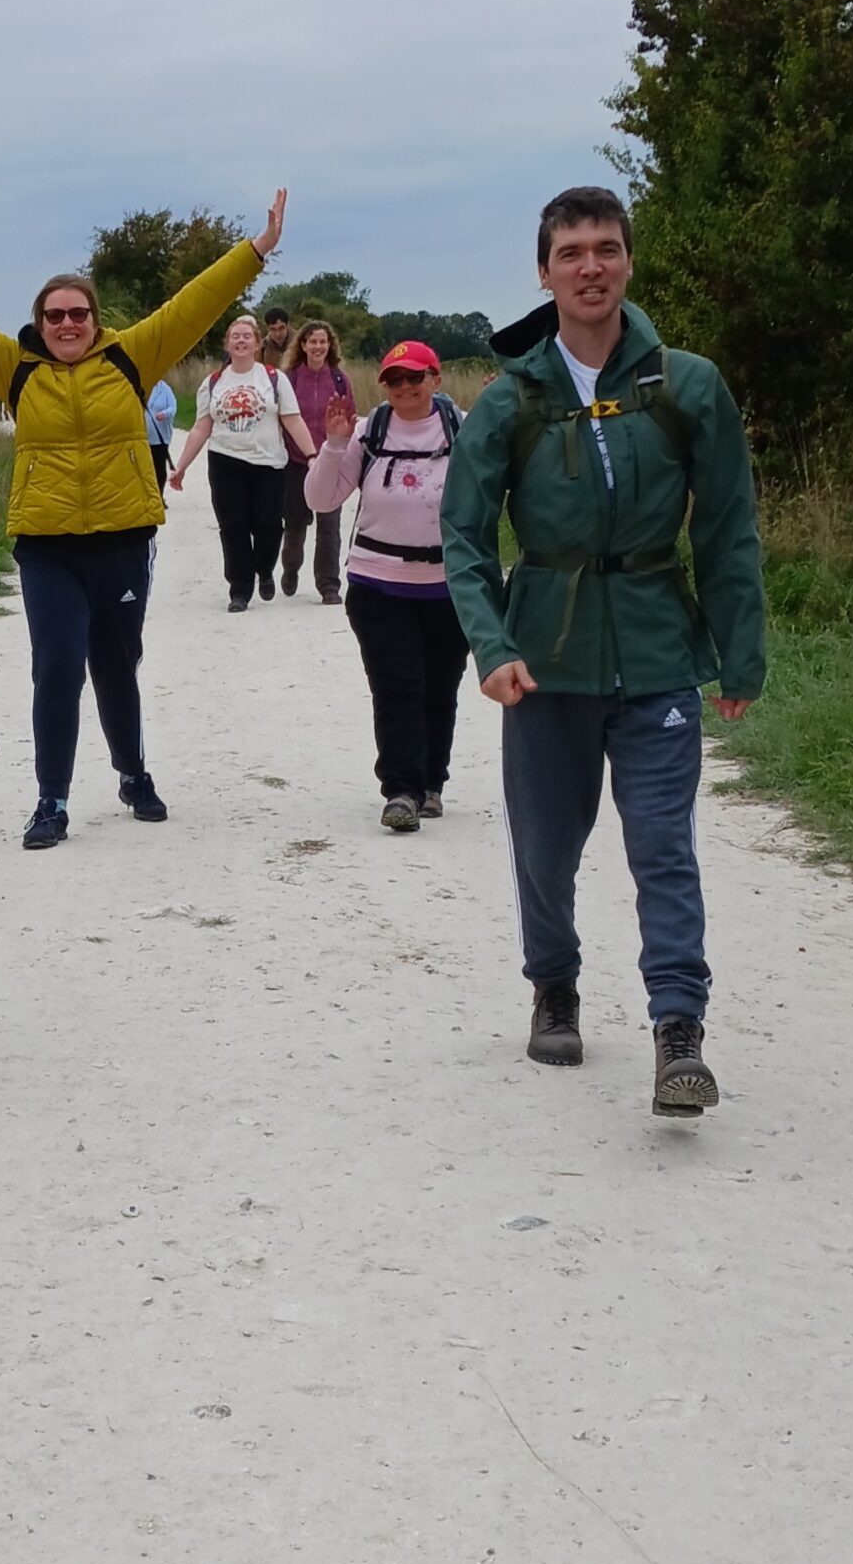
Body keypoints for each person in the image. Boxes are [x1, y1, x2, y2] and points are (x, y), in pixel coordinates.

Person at [441, 185, 766, 1116]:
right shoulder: (511, 401)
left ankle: (678, 1030)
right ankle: (555, 985)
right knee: (548, 847)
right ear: (544, 272)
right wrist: (491, 646)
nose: (592, 266)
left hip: (659, 646)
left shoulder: (688, 385)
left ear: (628, 263)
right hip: (544, 659)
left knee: (663, 844)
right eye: (573, 251)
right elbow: (463, 537)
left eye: (607, 249)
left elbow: (730, 529)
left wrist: (738, 654)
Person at [0, 188, 289, 850]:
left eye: (78, 314)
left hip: (123, 542)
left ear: (96, 320)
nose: (68, 324)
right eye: (55, 315)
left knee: (116, 665)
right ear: (39, 321)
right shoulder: (16, 369)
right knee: (58, 668)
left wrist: (257, 251)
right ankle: (52, 800)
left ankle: (133, 773)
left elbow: (197, 300)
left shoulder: (132, 357)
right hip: (48, 547)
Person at [308, 339, 468, 830]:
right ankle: (401, 790)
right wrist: (334, 445)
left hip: (449, 585)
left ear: (435, 380)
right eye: (394, 380)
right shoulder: (366, 432)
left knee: (440, 687)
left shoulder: (464, 429)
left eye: (414, 378)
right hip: (379, 583)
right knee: (398, 686)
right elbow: (321, 499)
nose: (404, 388)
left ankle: (431, 782)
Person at [167, 316, 317, 610]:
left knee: (269, 525)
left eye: (247, 336)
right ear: (228, 344)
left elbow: (292, 419)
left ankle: (263, 569)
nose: (241, 340)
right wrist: (181, 466)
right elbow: (201, 427)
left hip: (268, 463)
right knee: (232, 526)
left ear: (257, 343)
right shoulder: (213, 383)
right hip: (225, 461)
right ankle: (240, 588)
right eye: (235, 336)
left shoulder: (274, 379)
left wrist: (312, 455)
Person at [278, 319, 352, 603]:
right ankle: (291, 568)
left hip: (330, 461)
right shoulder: (290, 379)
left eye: (323, 341)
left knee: (329, 525)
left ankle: (328, 585)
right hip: (296, 462)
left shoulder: (340, 379)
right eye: (313, 341)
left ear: (330, 345)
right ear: (303, 345)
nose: (318, 346)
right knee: (295, 523)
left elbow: (350, 416)